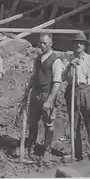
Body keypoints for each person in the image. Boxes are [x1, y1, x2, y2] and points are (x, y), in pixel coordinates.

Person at [21, 33, 64, 161]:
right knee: (32, 122)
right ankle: (31, 146)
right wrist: (27, 92)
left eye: (45, 43)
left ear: (51, 44)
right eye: (40, 43)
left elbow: (57, 83)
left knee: (49, 125)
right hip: (35, 94)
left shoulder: (56, 60)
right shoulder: (38, 59)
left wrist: (50, 100)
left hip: (47, 95)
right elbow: (34, 77)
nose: (42, 45)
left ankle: (47, 150)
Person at [63, 32, 90, 162]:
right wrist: (70, 65)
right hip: (72, 91)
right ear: (73, 45)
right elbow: (63, 78)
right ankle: (76, 154)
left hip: (87, 91)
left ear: (85, 46)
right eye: (76, 43)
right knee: (74, 123)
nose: (78, 45)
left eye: (81, 43)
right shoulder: (68, 58)